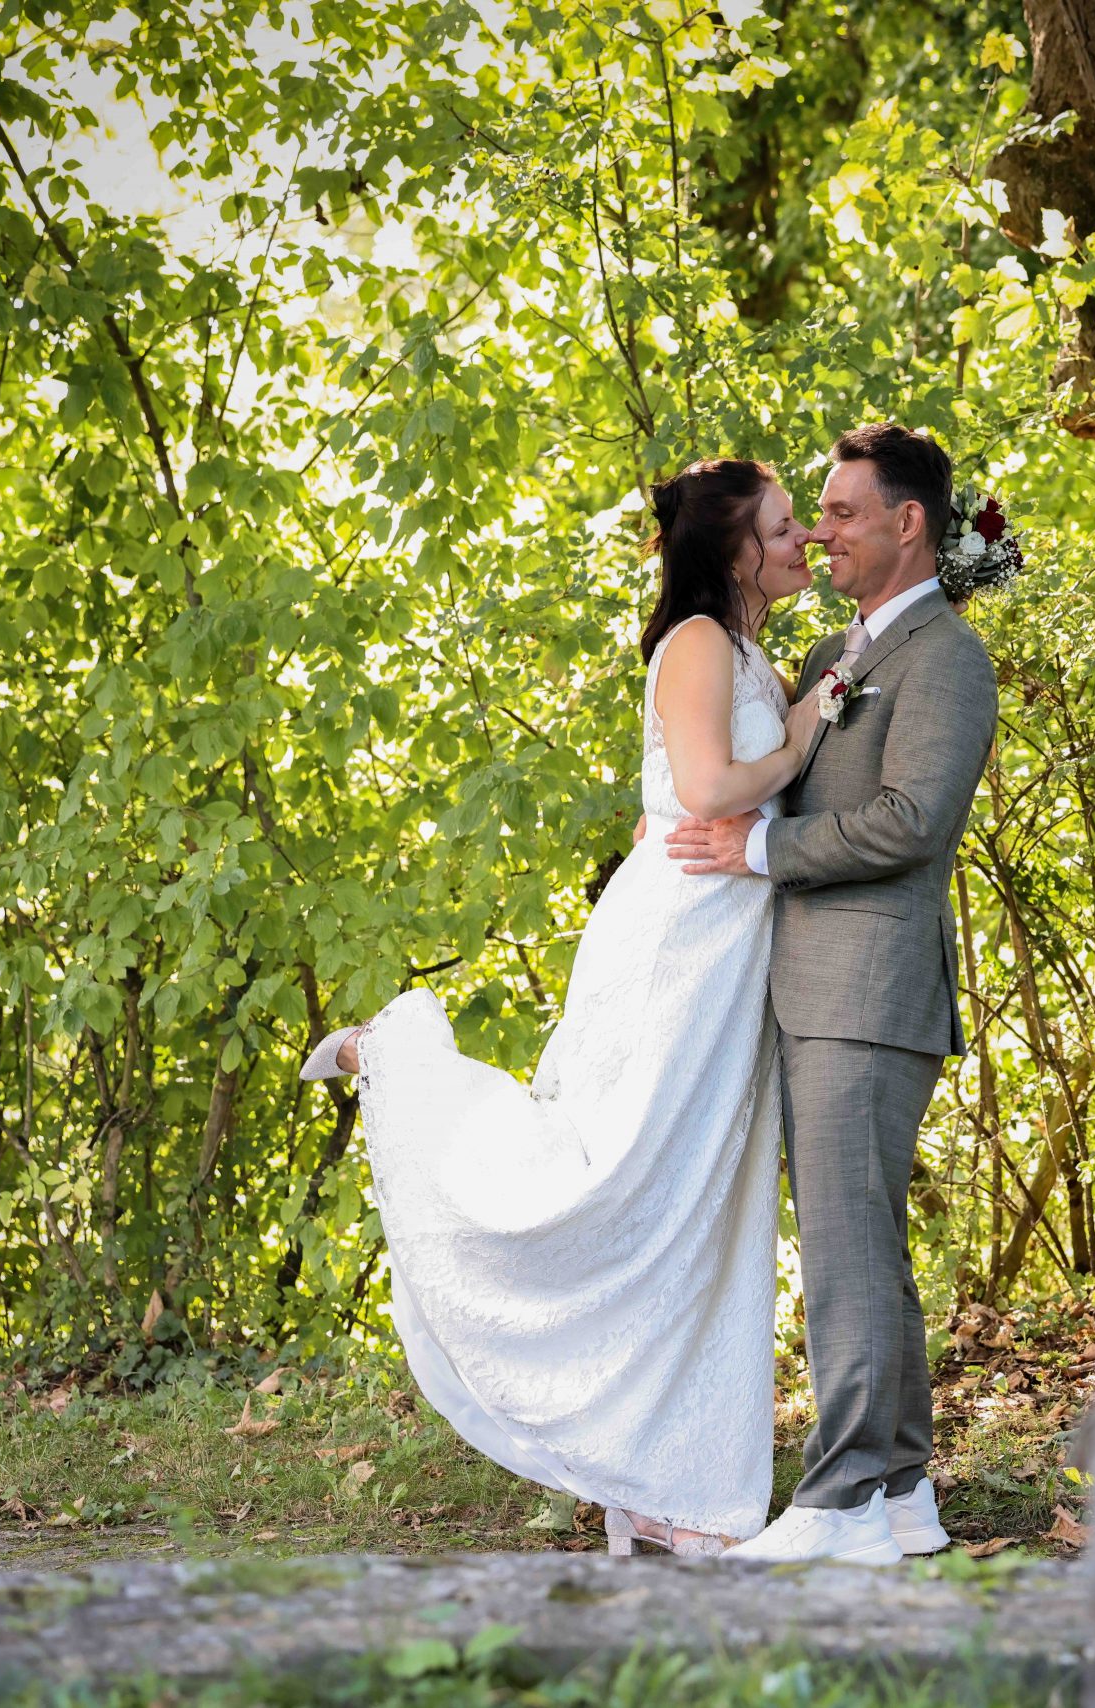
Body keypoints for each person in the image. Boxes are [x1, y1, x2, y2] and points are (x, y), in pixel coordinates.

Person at [301, 457, 822, 1556]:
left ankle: (668, 1479)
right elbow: (705, 789)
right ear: (732, 548)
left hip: (730, 946)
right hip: (676, 940)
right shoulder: (694, 643)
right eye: (783, 526)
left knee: (695, 1205)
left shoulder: (751, 652)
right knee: (611, 1178)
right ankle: (396, 1056)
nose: (802, 541)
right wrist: (807, 732)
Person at [666, 424, 999, 1565]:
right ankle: (902, 1495)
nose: (820, 530)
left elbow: (912, 822)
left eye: (844, 511)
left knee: (850, 1251)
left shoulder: (944, 657)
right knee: (865, 1246)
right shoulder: (831, 656)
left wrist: (762, 855)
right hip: (809, 986)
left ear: (909, 523)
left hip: (867, 986)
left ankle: (840, 1498)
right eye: (810, 512)